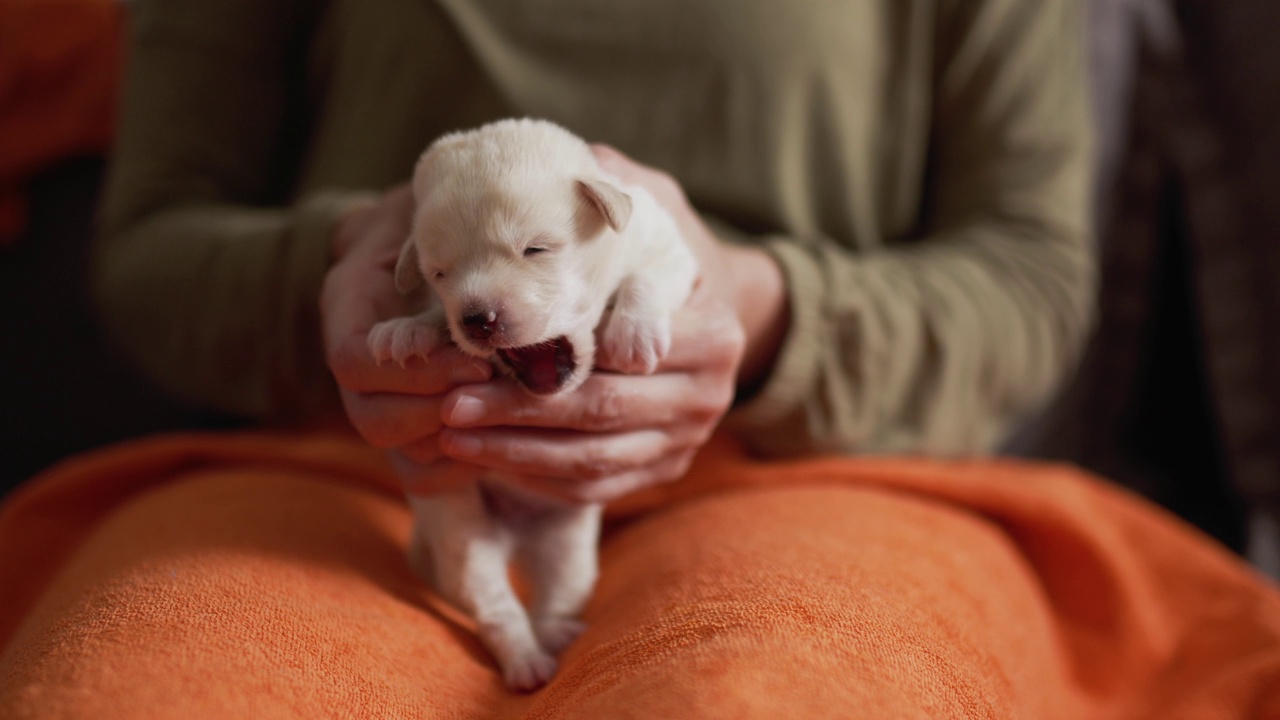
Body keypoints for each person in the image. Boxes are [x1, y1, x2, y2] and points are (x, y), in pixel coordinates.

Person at [25, 1, 1257, 717]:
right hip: (359, 459)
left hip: (808, 473)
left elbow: (1031, 280)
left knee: (769, 699)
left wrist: (767, 312)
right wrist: (347, 257)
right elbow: (150, 248)